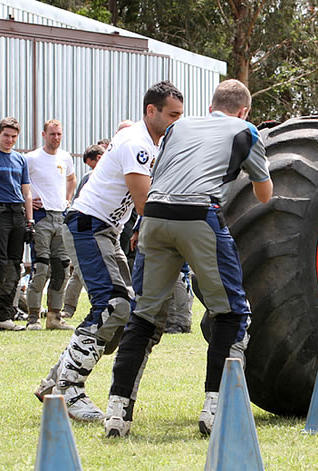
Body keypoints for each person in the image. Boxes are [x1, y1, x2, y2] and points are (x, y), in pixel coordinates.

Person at [104, 79, 273, 438]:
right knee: (231, 312)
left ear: (211, 105)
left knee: (144, 315)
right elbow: (264, 194)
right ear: (245, 110)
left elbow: (161, 175)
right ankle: (216, 408)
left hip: (154, 215)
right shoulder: (246, 130)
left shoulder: (177, 126)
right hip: (199, 216)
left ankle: (117, 411)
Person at [34, 81, 184, 421]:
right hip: (89, 226)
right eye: (172, 115)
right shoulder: (137, 144)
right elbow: (147, 203)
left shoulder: (147, 141)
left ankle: (54, 382)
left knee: (125, 310)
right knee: (112, 306)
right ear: (151, 111)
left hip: (106, 230)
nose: (177, 121)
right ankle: (69, 390)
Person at [25, 119, 76, 330]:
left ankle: (55, 316)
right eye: (52, 134)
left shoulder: (65, 157)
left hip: (60, 217)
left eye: (59, 134)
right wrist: (28, 201)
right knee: (41, 268)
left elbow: (72, 179)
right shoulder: (31, 158)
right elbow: (22, 183)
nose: (56, 138)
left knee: (62, 268)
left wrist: (68, 199)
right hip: (41, 217)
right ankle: (33, 317)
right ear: (43, 134)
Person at [0, 117, 33, 332]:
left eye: (14, 137)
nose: (10, 140)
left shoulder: (21, 160)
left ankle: (5, 315)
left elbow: (27, 191)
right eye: (6, 136)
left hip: (18, 212)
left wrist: (30, 220)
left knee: (15, 264)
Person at [62, 143, 106, 319]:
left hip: (104, 228)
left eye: (93, 164)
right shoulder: (90, 177)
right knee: (80, 271)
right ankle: (70, 307)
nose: (92, 169)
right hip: (86, 227)